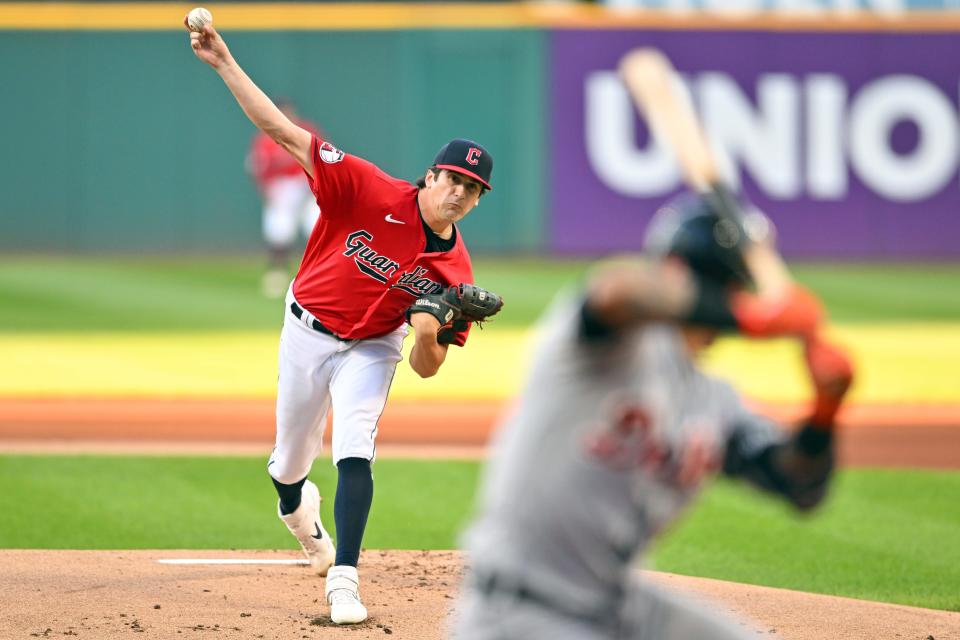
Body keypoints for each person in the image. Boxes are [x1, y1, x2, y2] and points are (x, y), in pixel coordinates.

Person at [186, 21, 502, 625]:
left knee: (356, 443)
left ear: (479, 200)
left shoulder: (455, 268)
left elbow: (427, 366)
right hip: (306, 328)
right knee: (288, 466)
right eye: (453, 179)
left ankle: (345, 578)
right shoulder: (363, 186)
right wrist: (224, 61)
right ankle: (302, 519)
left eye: (473, 188)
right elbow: (281, 131)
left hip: (375, 346)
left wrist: (433, 325)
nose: (460, 193)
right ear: (429, 177)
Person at [452, 188, 855, 640]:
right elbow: (616, 288)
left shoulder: (713, 401)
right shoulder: (603, 345)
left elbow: (798, 484)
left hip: (615, 605)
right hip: (521, 610)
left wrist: (825, 411)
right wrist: (749, 317)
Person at [246, 99, 324, 298]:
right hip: (282, 190)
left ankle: (321, 274)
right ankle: (277, 273)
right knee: (279, 229)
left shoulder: (306, 131)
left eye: (289, 112)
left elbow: (324, 161)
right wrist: (268, 191)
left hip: (309, 188)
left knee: (317, 228)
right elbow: (258, 169)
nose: (287, 116)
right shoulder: (265, 139)